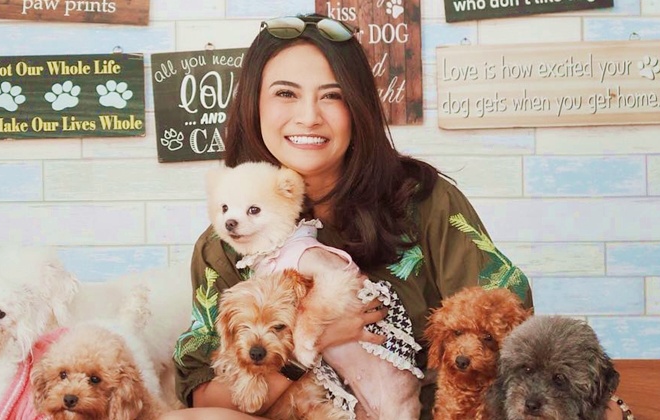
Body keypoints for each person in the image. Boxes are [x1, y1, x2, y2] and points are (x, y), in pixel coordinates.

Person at [162, 12, 549, 420]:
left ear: (358, 107)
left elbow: (513, 328)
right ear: (253, 104)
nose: (309, 116)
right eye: (286, 93)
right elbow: (204, 399)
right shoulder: (225, 243)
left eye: (332, 96)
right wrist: (313, 342)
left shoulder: (424, 202)